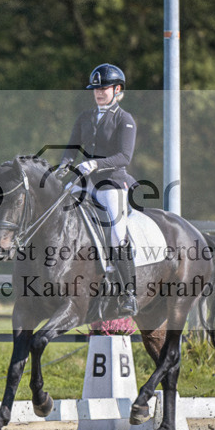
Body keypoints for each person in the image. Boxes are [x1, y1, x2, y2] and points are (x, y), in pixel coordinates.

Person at [57, 63, 138, 316]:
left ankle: (129, 294)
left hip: (111, 183)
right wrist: (62, 168)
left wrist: (95, 163)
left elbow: (124, 156)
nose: (99, 92)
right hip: (85, 183)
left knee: (116, 234)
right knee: (57, 212)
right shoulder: (85, 117)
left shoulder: (124, 120)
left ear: (117, 89)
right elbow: (71, 148)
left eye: (104, 88)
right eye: (96, 89)